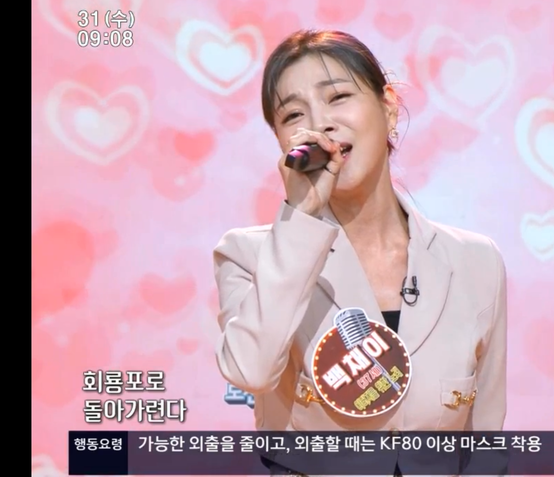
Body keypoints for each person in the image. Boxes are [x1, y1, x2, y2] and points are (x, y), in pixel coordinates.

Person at [212, 29, 508, 475]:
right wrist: (302, 215)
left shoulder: (475, 262)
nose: (320, 124)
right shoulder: (250, 256)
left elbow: (486, 445)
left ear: (388, 108)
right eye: (294, 114)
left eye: (338, 97)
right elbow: (250, 372)